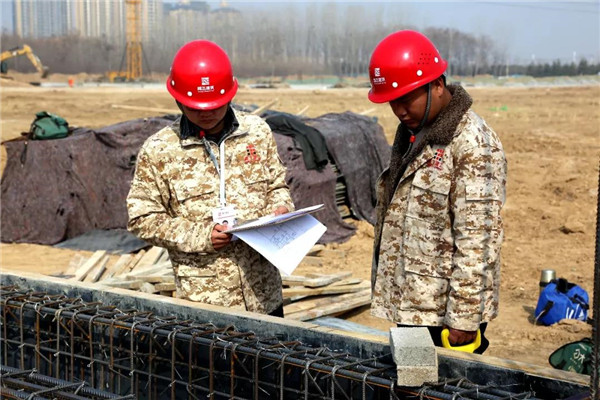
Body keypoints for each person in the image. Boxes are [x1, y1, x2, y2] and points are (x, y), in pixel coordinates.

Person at [127, 40, 293, 317]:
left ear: (229, 95)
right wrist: (201, 236)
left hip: (264, 294)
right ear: (178, 100)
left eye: (214, 106)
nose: (206, 114)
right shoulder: (159, 150)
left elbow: (277, 185)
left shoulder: (257, 133)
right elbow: (142, 219)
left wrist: (281, 208)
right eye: (196, 108)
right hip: (205, 303)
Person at [368, 30, 507, 354]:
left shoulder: (472, 143)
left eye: (406, 99)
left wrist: (464, 317)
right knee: (412, 378)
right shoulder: (415, 134)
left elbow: (479, 240)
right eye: (392, 101)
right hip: (414, 303)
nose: (399, 110)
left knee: (447, 382)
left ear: (438, 85)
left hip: (446, 316)